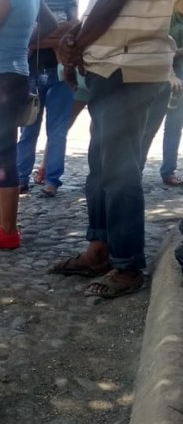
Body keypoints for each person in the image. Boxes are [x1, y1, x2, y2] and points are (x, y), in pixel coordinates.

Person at [52, 0, 175, 299]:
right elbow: (99, 8)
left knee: (119, 171)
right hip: (112, 66)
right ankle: (100, 249)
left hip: (128, 66)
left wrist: (74, 46)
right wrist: (75, 41)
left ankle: (128, 265)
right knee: (101, 168)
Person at [0, 0, 56, 249]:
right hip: (16, 74)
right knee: (0, 153)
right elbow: (51, 24)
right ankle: (1, 222)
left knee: (1, 154)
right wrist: (25, 43)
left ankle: (7, 229)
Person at [15, 0, 77, 198]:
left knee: (57, 132)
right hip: (31, 72)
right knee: (27, 129)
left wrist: (41, 38)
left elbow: (75, 28)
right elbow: (27, 39)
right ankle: (21, 179)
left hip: (61, 73)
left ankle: (52, 181)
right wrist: (58, 38)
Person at [140, 0, 183, 187]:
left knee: (175, 125)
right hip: (164, 76)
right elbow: (157, 48)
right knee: (149, 126)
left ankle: (169, 171)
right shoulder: (166, 14)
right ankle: (135, 170)